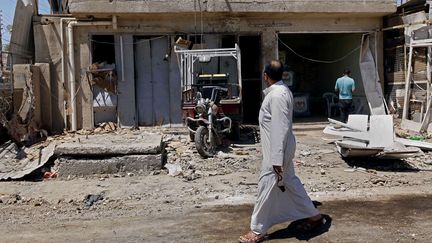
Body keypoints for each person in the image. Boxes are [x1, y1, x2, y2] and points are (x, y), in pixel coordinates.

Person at [239, 60, 324, 243]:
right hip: (280, 149)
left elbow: (280, 129)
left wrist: (276, 159)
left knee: (266, 185)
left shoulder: (277, 96)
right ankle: (314, 215)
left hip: (277, 152)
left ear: (265, 76)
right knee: (290, 182)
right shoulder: (280, 92)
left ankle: (257, 229)